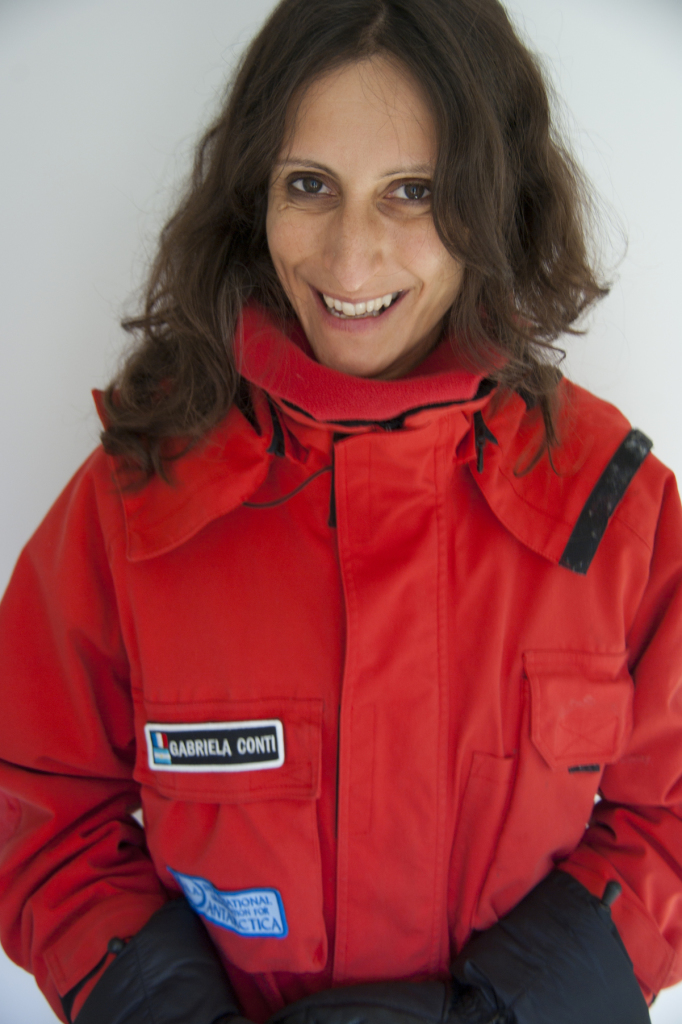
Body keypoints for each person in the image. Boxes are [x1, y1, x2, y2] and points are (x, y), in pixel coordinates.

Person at [0, 0, 680, 1022]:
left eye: (415, 192)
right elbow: (36, 804)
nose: (351, 259)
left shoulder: (610, 506)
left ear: (494, 202)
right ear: (252, 200)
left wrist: (519, 1012)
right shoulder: (134, 500)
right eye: (309, 185)